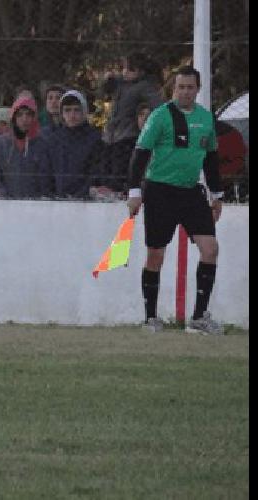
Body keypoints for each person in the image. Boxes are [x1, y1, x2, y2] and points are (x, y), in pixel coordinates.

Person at [125, 66, 225, 335]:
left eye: (190, 87)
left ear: (198, 89)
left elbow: (212, 160)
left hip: (192, 192)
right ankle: (150, 318)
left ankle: (199, 317)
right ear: (173, 89)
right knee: (155, 255)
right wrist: (135, 192)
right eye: (180, 87)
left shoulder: (206, 119)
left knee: (210, 249)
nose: (185, 92)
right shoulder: (160, 116)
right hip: (160, 191)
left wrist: (216, 195)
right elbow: (140, 154)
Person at [37, 90, 105, 199]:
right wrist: (52, 196)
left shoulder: (95, 140)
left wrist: (81, 195)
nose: (72, 115)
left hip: (86, 202)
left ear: (84, 111)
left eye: (76, 110)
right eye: (67, 110)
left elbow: (96, 174)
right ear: (62, 113)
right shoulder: (54, 140)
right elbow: (45, 174)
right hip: (56, 203)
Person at [0, 96, 48, 199]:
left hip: (35, 206)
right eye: (20, 115)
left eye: (28, 114)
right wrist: (4, 201)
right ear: (13, 117)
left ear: (34, 117)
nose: (24, 119)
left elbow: (45, 181)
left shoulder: (42, 145)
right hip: (4, 206)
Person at [99, 52, 164, 145]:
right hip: (111, 135)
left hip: (129, 135)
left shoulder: (144, 86)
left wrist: (144, 112)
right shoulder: (120, 83)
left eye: (130, 70)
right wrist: (107, 80)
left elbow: (157, 105)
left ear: (141, 71)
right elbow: (104, 91)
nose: (125, 72)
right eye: (124, 68)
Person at [93, 100, 152, 201]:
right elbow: (116, 176)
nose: (145, 119)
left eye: (149, 115)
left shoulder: (163, 147)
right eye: (141, 115)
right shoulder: (124, 146)